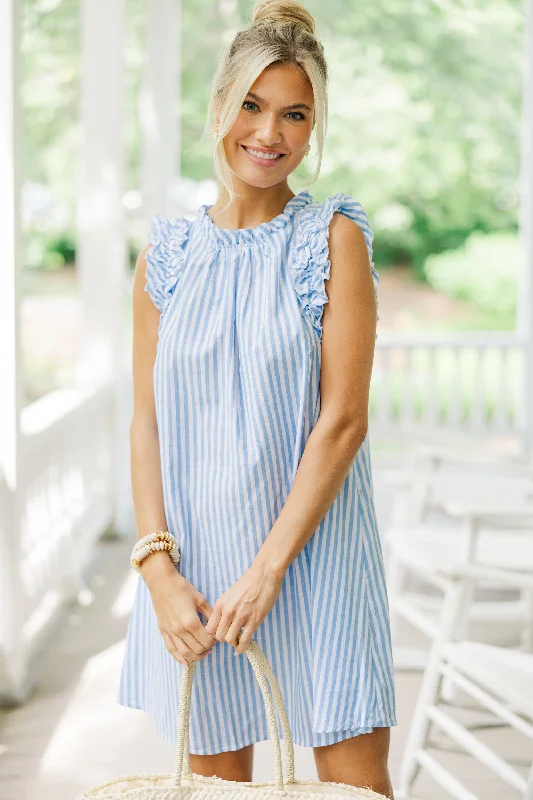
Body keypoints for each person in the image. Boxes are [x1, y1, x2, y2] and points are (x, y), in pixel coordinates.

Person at [117, 1, 396, 796]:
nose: (269, 134)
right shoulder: (165, 253)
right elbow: (146, 422)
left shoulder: (332, 236)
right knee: (217, 793)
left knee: (355, 791)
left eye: (294, 114)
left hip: (313, 565)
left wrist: (268, 571)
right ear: (218, 109)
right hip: (200, 577)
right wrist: (158, 572)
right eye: (251, 106)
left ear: (313, 129)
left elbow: (342, 420)